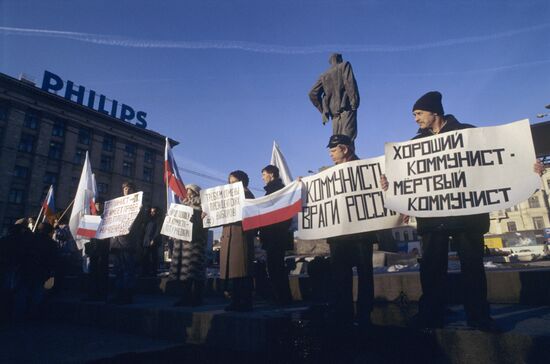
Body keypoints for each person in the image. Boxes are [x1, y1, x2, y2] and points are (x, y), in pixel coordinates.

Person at [381, 91, 546, 331]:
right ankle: (431, 314)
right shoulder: (414, 146)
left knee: (473, 266)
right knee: (432, 268)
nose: (415, 119)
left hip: (467, 214)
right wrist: (391, 186)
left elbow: (495, 160)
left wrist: (529, 167)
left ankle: (479, 316)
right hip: (433, 217)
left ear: (434, 112)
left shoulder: (469, 134)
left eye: (419, 113)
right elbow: (407, 179)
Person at [325, 134, 376, 327]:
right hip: (338, 234)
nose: (330, 154)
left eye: (333, 150)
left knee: (364, 273)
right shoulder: (329, 176)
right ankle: (343, 311)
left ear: (345, 149)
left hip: (361, 233)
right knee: (340, 274)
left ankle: (364, 313)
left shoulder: (366, 169)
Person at [219, 170, 256, 312]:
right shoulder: (229, 198)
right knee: (234, 274)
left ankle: (244, 302)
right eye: (229, 182)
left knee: (242, 272)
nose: (230, 185)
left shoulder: (247, 195)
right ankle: (236, 301)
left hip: (240, 237)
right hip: (229, 238)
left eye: (233, 182)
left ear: (242, 182)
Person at [258, 165, 293, 306]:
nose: (262, 178)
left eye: (264, 174)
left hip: (276, 235)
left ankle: (281, 298)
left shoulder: (276, 191)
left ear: (271, 174)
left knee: (275, 267)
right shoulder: (273, 190)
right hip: (275, 235)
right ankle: (282, 297)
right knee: (275, 267)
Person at [309, 53, 360, 145]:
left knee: (337, 142)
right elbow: (349, 83)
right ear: (339, 58)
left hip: (334, 115)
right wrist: (354, 102)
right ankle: (349, 159)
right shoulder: (344, 65)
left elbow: (312, 94)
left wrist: (324, 111)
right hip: (347, 108)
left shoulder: (323, 76)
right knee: (348, 139)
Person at [171, 184, 208, 306]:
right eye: (187, 190)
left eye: (190, 190)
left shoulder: (203, 206)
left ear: (196, 192)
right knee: (184, 272)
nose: (187, 192)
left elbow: (205, 224)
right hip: (183, 244)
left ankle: (197, 298)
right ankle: (185, 297)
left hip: (196, 243)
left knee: (195, 271)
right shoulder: (183, 206)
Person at [109, 181, 146, 305]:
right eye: (124, 189)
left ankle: (127, 294)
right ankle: (118, 293)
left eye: (129, 189)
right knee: (118, 270)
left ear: (133, 191)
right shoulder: (117, 205)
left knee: (127, 270)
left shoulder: (138, 205)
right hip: (115, 242)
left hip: (128, 242)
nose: (126, 191)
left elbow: (140, 221)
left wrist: (140, 210)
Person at [83, 198, 110, 301]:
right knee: (92, 271)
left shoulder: (107, 218)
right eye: (97, 204)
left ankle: (101, 293)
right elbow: (86, 235)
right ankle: (91, 293)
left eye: (101, 204)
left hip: (103, 248)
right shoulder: (90, 218)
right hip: (93, 248)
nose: (99, 206)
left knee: (102, 272)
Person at [142, 206, 163, 277]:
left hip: (154, 241)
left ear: (156, 212)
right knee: (145, 257)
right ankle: (146, 271)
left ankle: (154, 271)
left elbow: (157, 231)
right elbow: (145, 231)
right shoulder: (149, 220)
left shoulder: (158, 220)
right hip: (146, 241)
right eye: (151, 211)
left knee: (154, 257)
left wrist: (154, 239)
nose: (152, 213)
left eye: (153, 211)